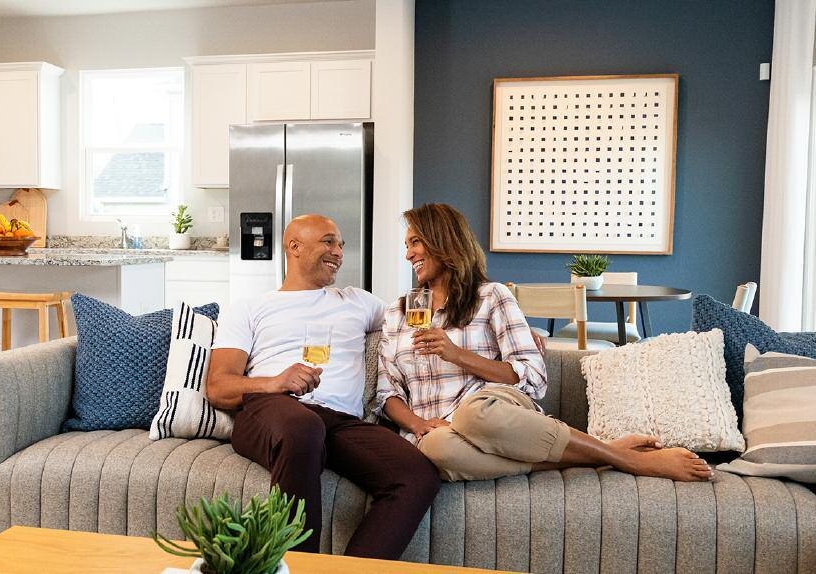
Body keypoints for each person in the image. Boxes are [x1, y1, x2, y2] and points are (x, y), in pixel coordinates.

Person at [375, 203, 714, 483]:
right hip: (438, 430)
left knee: (472, 414)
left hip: (490, 411)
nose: (408, 254)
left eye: (415, 242)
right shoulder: (397, 313)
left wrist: (457, 355)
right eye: (406, 245)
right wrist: (418, 425)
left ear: (443, 240)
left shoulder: (491, 297)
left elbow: (533, 377)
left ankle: (633, 462)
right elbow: (387, 392)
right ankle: (608, 454)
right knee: (436, 451)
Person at [207, 214, 441, 560]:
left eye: (341, 245)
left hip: (339, 421)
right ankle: (296, 566)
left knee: (418, 474)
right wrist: (275, 382)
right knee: (303, 427)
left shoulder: (358, 301)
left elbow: (430, 314)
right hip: (271, 410)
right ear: (294, 246)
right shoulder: (250, 307)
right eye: (329, 242)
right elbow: (218, 386)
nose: (339, 252)